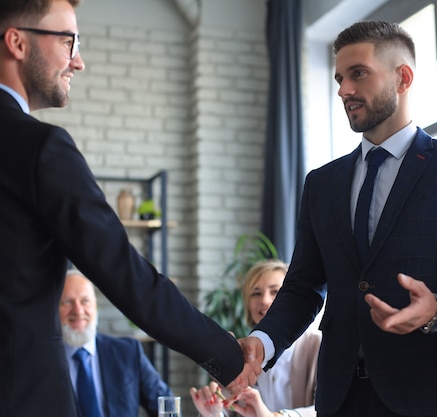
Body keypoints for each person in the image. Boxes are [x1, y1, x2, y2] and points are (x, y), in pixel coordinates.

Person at [238, 20, 437, 417]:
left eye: (358, 74)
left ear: (403, 78)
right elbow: (303, 286)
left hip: (429, 396)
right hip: (338, 397)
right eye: (339, 78)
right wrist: (264, 341)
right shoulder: (322, 182)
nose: (344, 90)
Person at [0, 1, 258, 415]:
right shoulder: (39, 148)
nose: (78, 61)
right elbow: (124, 272)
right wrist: (226, 356)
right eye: (69, 41)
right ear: (17, 42)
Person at [191, 259, 321, 417]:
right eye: (256, 293)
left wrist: (276, 416)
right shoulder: (241, 352)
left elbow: (328, 410)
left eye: (275, 292)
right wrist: (214, 412)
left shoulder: (318, 345)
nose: (265, 300)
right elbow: (228, 407)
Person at [60, 270, 172, 417]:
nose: (78, 310)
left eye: (85, 301)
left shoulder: (128, 352)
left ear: (95, 307)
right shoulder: (39, 361)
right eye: (67, 302)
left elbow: (166, 404)